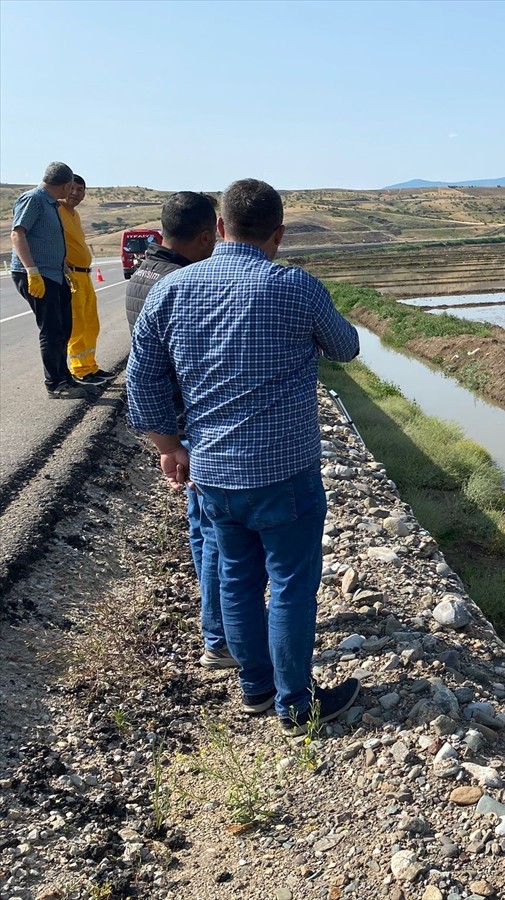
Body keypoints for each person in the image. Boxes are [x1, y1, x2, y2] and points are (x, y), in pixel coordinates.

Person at [126, 178, 361, 736]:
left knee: (235, 577)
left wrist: (167, 447)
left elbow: (142, 379)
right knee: (290, 585)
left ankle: (255, 690)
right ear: (278, 233)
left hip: (212, 473)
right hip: (285, 473)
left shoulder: (170, 290)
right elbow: (347, 347)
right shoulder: (295, 287)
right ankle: (295, 705)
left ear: (222, 228)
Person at [126, 192, 235, 670]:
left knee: (200, 526)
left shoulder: (142, 273)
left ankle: (216, 622)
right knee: (215, 534)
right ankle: (220, 638)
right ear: (208, 233)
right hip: (192, 423)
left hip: (175, 425)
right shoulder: (181, 281)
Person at [10, 161, 85, 399]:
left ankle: (65, 376)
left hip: (55, 274)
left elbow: (48, 239)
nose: (72, 191)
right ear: (65, 184)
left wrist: (63, 267)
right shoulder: (33, 199)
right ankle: (55, 384)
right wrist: (31, 270)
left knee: (64, 327)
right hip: (37, 275)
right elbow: (17, 233)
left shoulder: (52, 204)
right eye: (71, 186)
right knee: (52, 330)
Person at [58, 175, 115, 386]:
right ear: (63, 188)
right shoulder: (57, 211)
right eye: (71, 188)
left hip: (85, 275)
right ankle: (79, 370)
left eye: (80, 189)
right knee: (77, 325)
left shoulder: (75, 214)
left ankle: (91, 366)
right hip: (71, 275)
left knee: (91, 323)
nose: (75, 193)